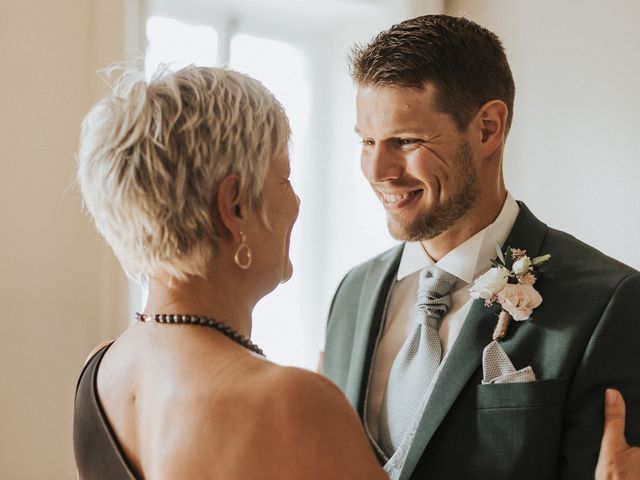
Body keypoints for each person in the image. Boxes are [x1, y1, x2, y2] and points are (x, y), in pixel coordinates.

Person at [321, 14, 640, 480]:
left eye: (406, 141)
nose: (378, 170)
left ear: (488, 128)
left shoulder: (609, 302)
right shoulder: (353, 291)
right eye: (368, 140)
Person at [73, 66, 386, 479]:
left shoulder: (99, 370)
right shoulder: (290, 401)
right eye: (284, 179)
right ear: (235, 206)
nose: (295, 202)